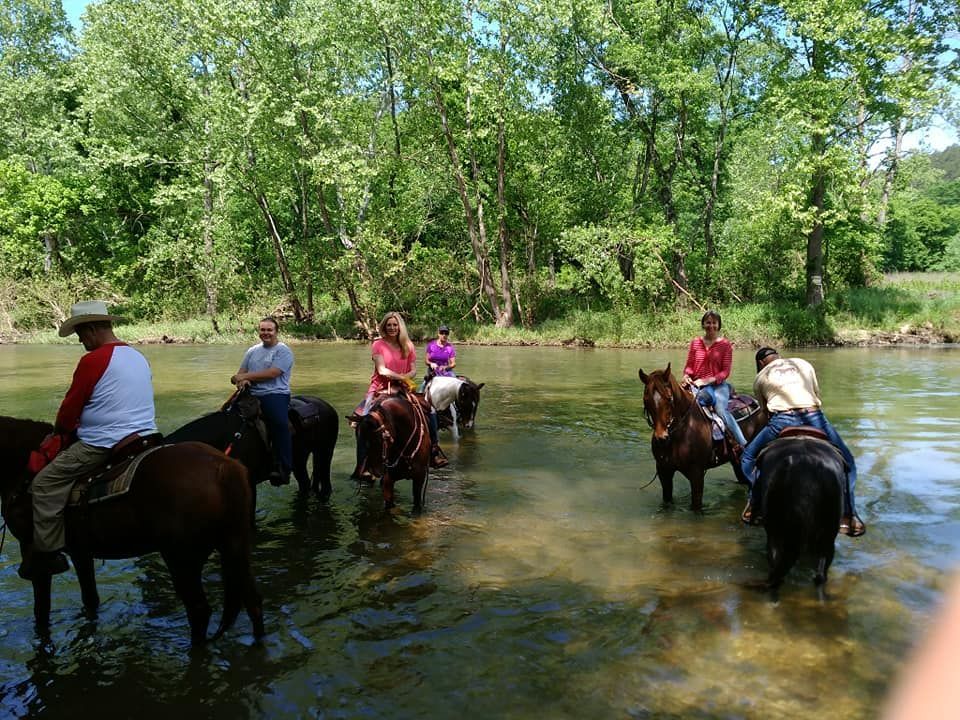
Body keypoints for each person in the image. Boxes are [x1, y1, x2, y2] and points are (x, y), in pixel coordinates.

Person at [19, 300, 158, 580]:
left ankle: (49, 553)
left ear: (92, 329)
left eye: (81, 334)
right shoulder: (136, 355)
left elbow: (70, 410)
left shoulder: (93, 360)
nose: (81, 340)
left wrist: (60, 430)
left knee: (44, 484)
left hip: (103, 442)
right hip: (145, 435)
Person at [740, 347, 864, 536]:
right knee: (849, 462)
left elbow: (765, 413)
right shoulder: (803, 364)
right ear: (778, 357)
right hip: (814, 417)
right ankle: (849, 516)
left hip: (782, 420)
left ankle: (754, 505)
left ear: (760, 364)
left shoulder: (761, 377)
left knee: (747, 458)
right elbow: (815, 394)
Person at [354, 311, 447, 470]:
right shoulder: (378, 344)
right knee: (363, 422)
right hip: (380, 388)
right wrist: (401, 377)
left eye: (395, 325)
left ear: (400, 327)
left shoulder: (408, 345)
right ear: (384, 326)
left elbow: (413, 370)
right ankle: (362, 465)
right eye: (389, 325)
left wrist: (405, 378)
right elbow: (382, 370)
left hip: (403, 389)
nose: (392, 328)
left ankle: (434, 451)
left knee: (430, 411)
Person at [231, 317, 294, 486]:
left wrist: (244, 377)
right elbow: (241, 372)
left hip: (275, 394)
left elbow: (273, 373)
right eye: (263, 330)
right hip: (251, 393)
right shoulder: (252, 351)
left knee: (280, 424)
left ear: (276, 332)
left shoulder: (283, 351)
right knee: (226, 415)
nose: (265, 333)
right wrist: (242, 381)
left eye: (269, 330)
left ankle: (284, 467)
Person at [681, 310, 748, 451]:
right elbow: (689, 365)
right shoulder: (695, 343)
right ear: (703, 324)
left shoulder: (725, 345)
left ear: (719, 325)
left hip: (718, 386)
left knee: (720, 410)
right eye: (708, 322)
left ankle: (743, 444)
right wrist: (686, 376)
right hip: (695, 384)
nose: (711, 325)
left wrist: (707, 381)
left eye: (714, 323)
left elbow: (725, 372)